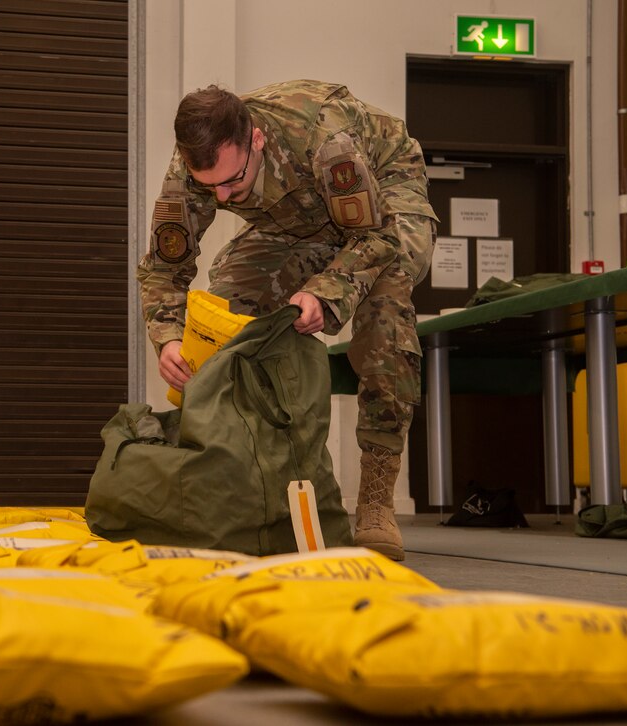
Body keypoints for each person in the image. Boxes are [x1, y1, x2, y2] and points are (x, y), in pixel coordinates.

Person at [136, 80, 437, 561]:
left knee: (385, 314)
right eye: (211, 186)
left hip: (384, 202)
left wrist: (325, 290)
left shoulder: (325, 141)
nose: (224, 195)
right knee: (227, 319)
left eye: (234, 181)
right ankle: (254, 485)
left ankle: (377, 497)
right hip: (294, 223)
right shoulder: (196, 166)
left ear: (255, 138)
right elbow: (165, 266)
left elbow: (374, 238)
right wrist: (169, 338)